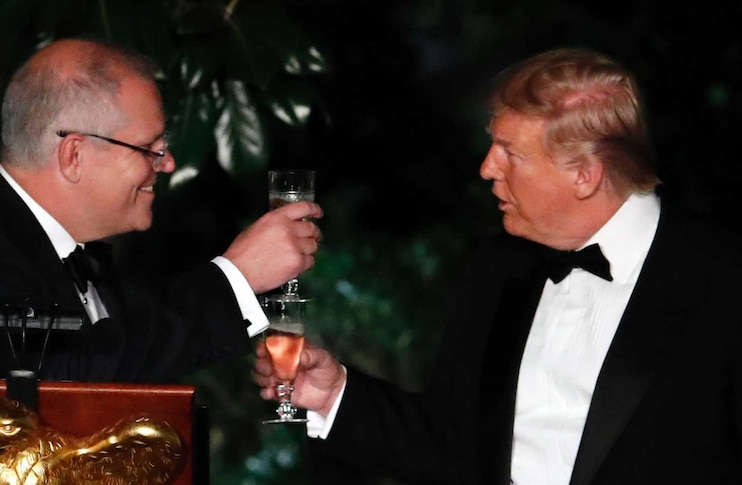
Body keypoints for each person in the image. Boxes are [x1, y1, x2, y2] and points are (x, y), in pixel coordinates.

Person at [253, 47, 742, 484]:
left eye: (510, 153)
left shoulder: (721, 281)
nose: (488, 168)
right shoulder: (497, 270)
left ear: (585, 176)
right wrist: (334, 393)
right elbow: (450, 446)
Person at [0, 37, 323, 383]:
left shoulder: (84, 257)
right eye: (150, 147)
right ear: (73, 155)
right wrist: (236, 278)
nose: (167, 163)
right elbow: (47, 388)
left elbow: (129, 361)